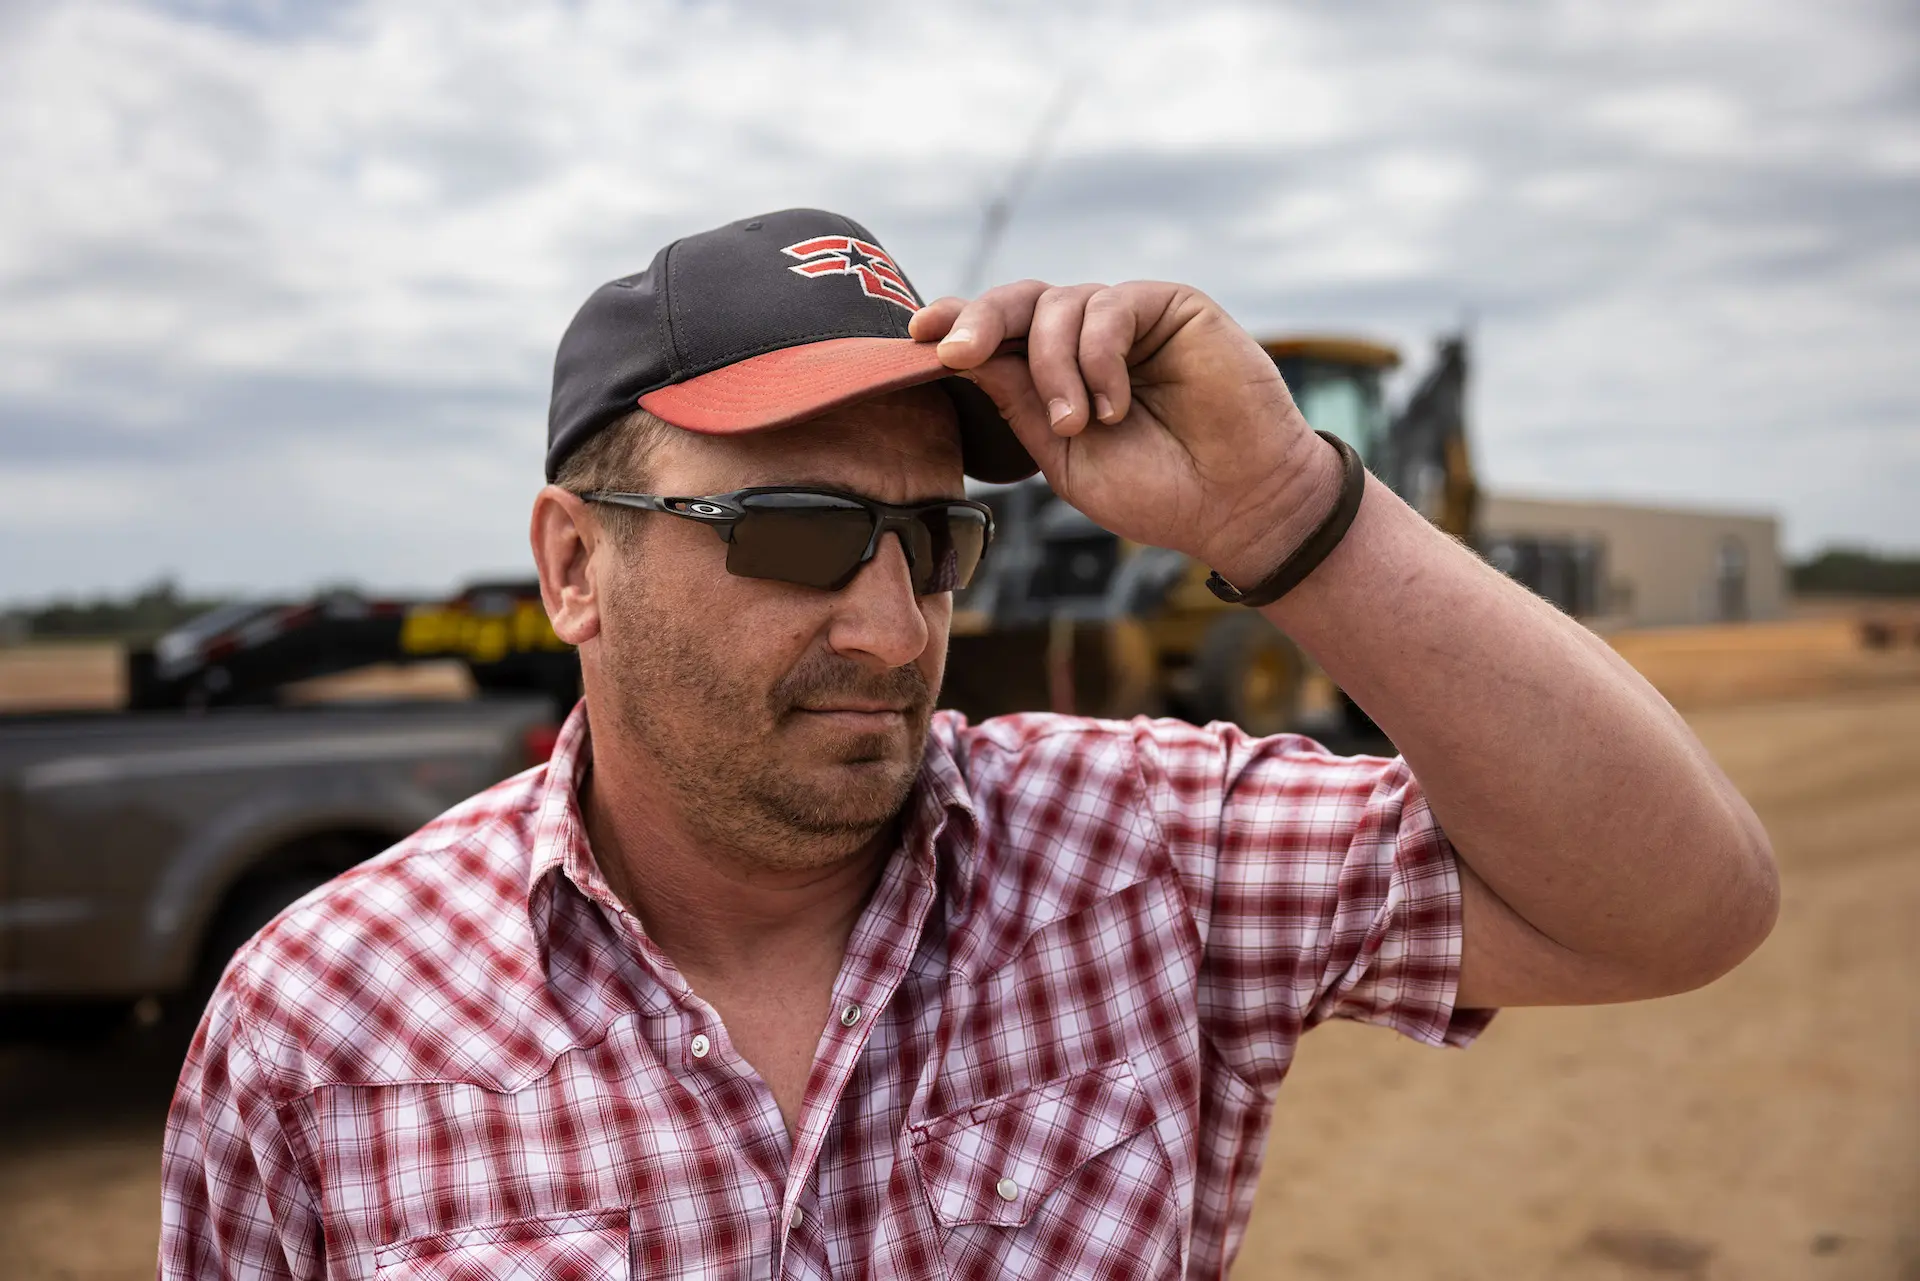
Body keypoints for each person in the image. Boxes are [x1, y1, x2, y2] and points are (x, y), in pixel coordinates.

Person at [159, 208, 1778, 1280]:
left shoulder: (1139, 853)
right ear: (578, 565)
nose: (889, 626)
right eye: (795, 533)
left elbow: (1683, 906)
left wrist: (1287, 509)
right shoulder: (321, 1023)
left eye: (931, 545)